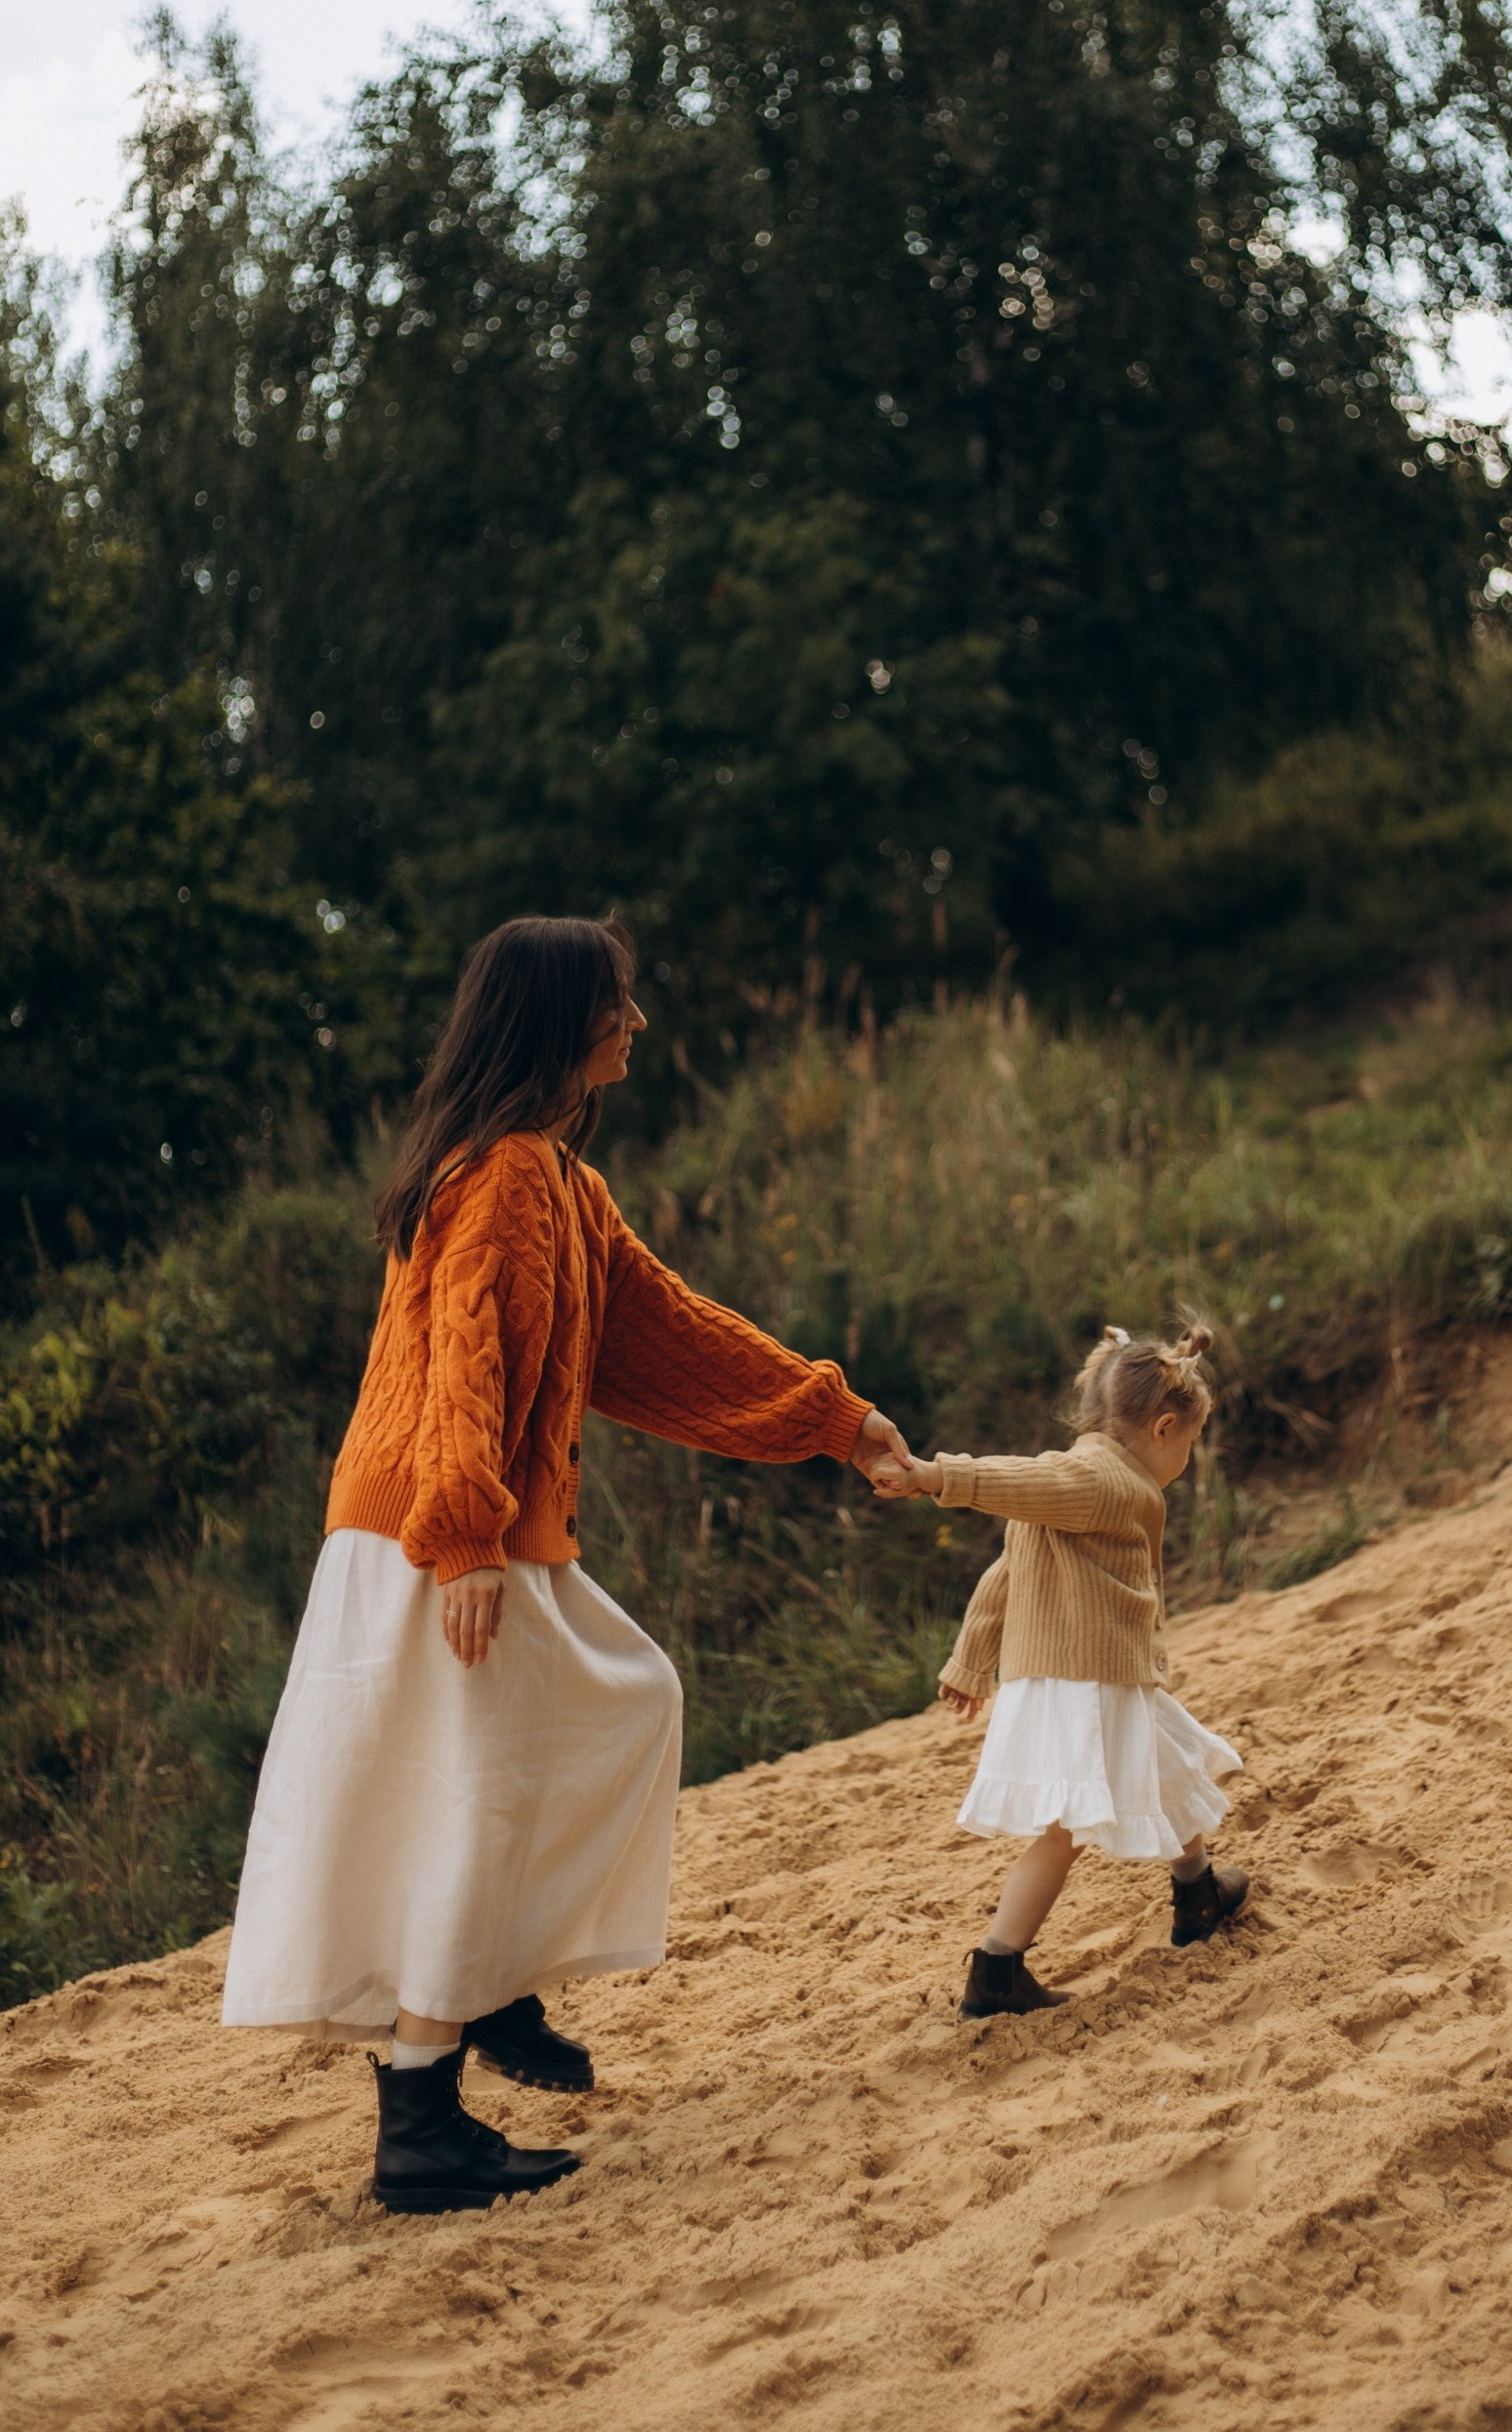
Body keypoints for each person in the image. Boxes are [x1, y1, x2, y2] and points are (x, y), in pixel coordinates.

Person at [222, 915, 910, 2212]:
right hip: (441, 1535)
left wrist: (838, 1419)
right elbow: (464, 1353)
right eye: (619, 1005)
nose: (637, 1024)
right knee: (495, 1792)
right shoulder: (510, 1176)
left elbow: (671, 1337)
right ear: (562, 1022)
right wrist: (472, 1538)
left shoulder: (553, 1184)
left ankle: (485, 1991)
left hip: (434, 1530)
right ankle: (423, 2117)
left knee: (605, 1715)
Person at [878, 1322, 1248, 2018]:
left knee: (1167, 1762)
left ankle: (1197, 1892)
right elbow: (1014, 1479)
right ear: (1165, 1428)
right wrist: (936, 1477)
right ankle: (997, 1969)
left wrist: (970, 1658)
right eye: (1191, 1445)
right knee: (1066, 1829)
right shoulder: (1097, 1480)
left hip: (1098, 1673)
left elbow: (1010, 1568)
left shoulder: (1079, 1478)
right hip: (1087, 1682)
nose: (1188, 1461)